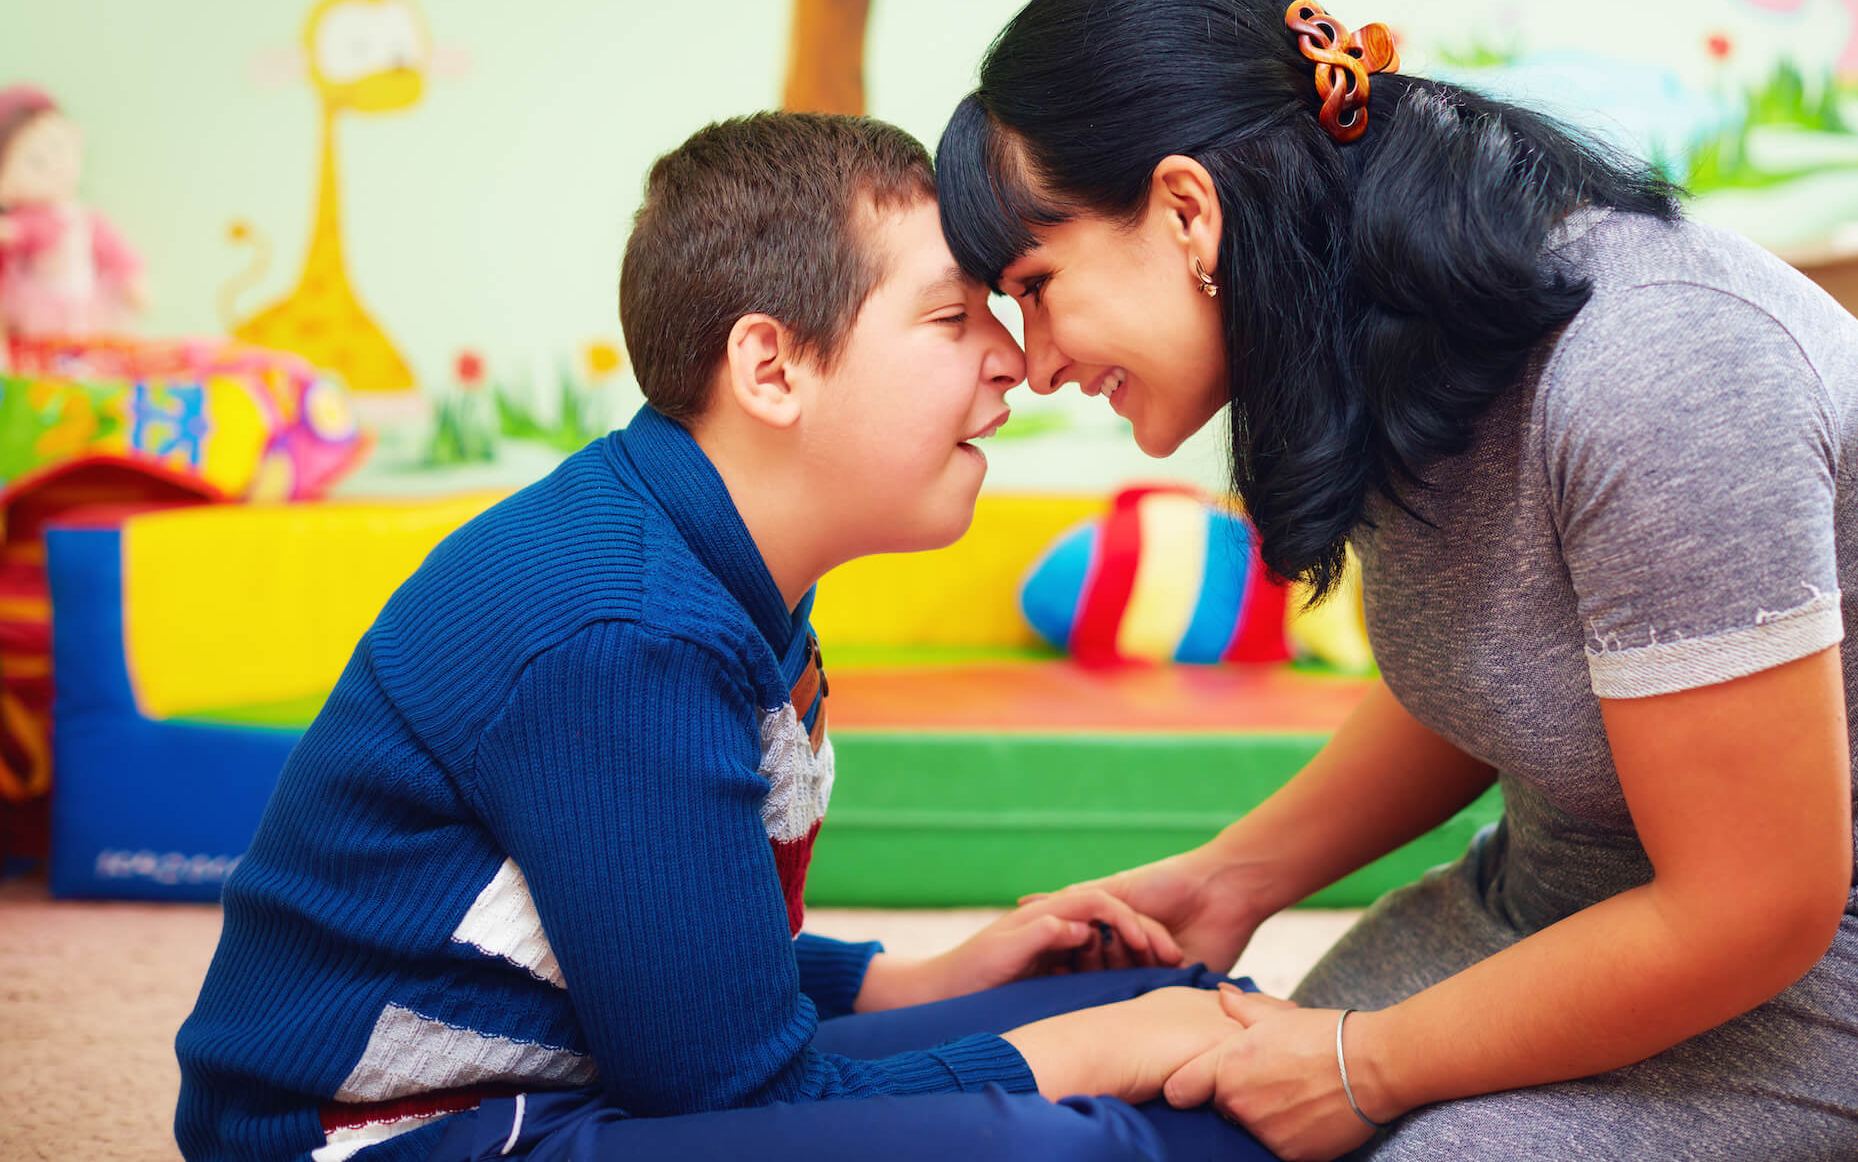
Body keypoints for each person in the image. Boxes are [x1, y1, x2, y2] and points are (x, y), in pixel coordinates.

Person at [933, 0, 1858, 1161]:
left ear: (1189, 210)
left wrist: (1364, 1063)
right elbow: (1506, 663)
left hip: (1854, 944)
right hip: (1574, 896)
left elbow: (1758, 906)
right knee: (1206, 1098)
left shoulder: (1657, 365)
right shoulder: (1388, 320)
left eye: (1037, 285)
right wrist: (1236, 877)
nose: (1032, 364)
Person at [175, 112, 1274, 1162]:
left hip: (570, 1078)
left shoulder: (720, 567)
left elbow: (674, 951)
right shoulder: (624, 630)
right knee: (1084, 1124)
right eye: (952, 319)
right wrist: (1085, 1057)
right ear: (770, 369)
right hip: (403, 1134)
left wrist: (931, 979)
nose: (1016, 359)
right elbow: (745, 1097)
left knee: (1161, 1007)